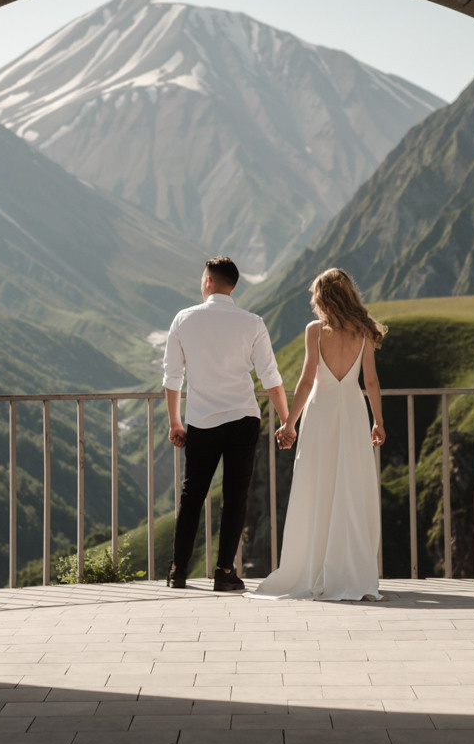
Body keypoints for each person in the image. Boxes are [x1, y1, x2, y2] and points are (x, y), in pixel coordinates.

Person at [255, 269, 386, 603]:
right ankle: (352, 571)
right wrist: (378, 421)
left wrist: (289, 424)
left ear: (322, 297)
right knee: (351, 487)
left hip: (322, 412)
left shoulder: (315, 331)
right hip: (355, 414)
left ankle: (313, 567)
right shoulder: (364, 331)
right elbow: (370, 381)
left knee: (317, 486)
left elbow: (307, 380)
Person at [162, 256, 291, 592]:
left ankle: (178, 571)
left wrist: (176, 423)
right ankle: (224, 572)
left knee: (192, 496)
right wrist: (287, 421)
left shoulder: (184, 319)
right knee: (236, 497)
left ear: (207, 281)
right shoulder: (253, 323)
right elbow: (270, 378)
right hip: (243, 419)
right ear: (233, 286)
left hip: (202, 421)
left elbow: (172, 377)